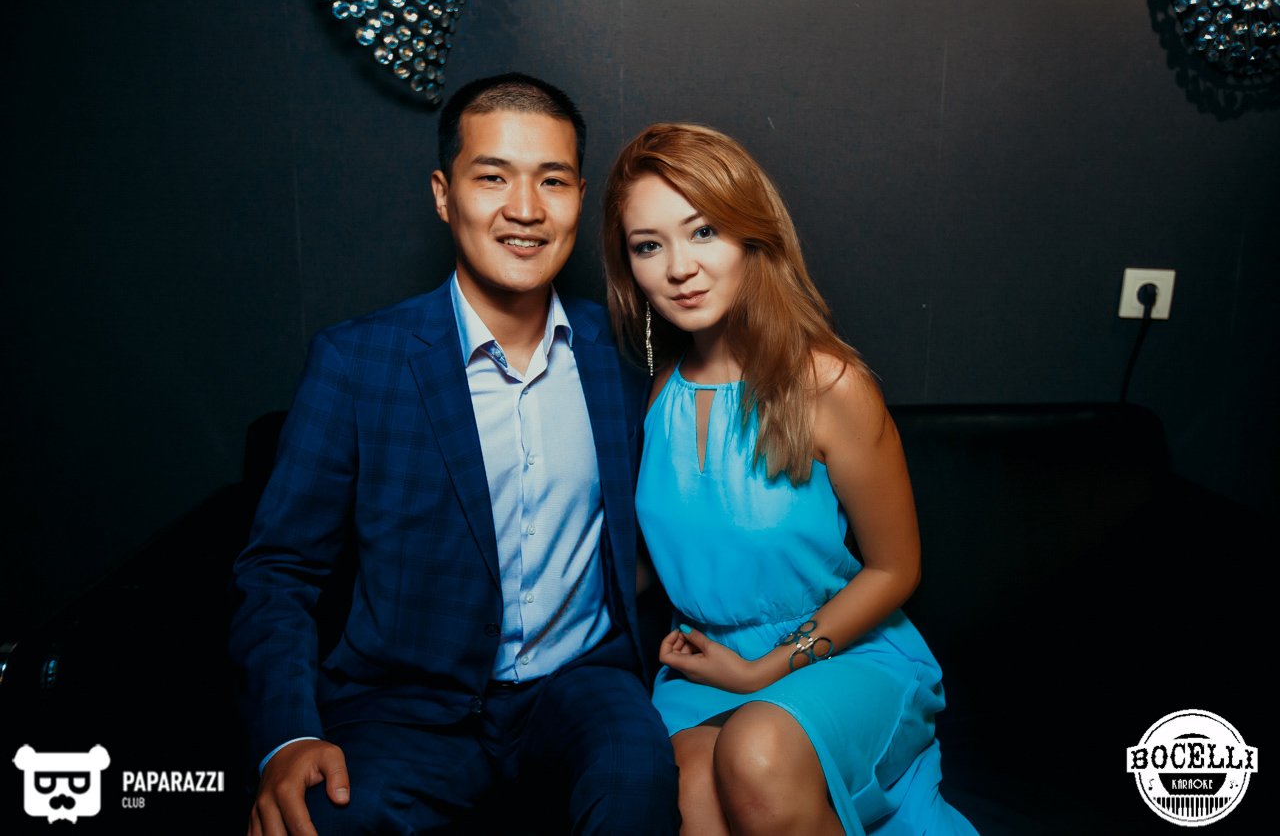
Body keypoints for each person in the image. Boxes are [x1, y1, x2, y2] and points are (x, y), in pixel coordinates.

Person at [229, 74, 678, 836]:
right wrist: (287, 735)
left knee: (639, 780)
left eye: (553, 180)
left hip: (580, 685)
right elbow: (279, 569)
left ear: (579, 198)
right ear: (444, 195)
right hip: (405, 706)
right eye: (492, 177)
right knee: (316, 820)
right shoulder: (357, 362)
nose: (526, 209)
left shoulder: (623, 356)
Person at [602, 123, 977, 836]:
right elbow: (656, 555)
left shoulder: (828, 383)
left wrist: (763, 670)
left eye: (704, 231)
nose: (679, 267)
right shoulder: (655, 392)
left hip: (836, 653)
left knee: (758, 752)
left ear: (752, 236)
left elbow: (896, 568)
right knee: (689, 794)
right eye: (649, 245)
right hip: (704, 663)